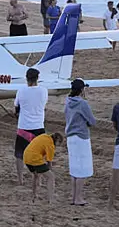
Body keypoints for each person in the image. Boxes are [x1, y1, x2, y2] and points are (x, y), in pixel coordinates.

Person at [65, 78, 96, 206]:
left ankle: (74, 197)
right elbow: (92, 121)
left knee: (74, 168)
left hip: (70, 136)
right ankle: (78, 197)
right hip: (81, 137)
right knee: (83, 169)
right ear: (82, 90)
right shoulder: (82, 104)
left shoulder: (67, 102)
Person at [13, 67, 47, 185]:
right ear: (37, 78)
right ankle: (39, 179)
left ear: (26, 79)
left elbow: (16, 106)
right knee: (40, 154)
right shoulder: (43, 91)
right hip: (38, 125)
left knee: (19, 154)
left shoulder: (21, 91)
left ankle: (20, 179)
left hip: (24, 126)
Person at [23, 132, 64, 203]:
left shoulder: (44, 136)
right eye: (59, 142)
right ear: (56, 140)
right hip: (34, 158)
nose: (59, 145)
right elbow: (49, 162)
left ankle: (34, 195)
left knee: (36, 175)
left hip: (26, 156)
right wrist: (49, 170)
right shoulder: (50, 145)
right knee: (51, 177)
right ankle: (51, 199)